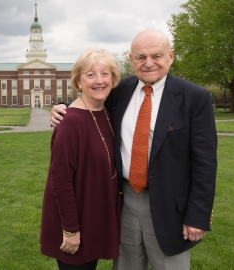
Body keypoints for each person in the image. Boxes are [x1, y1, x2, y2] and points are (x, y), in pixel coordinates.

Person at [50, 29, 217, 270]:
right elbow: (88, 103)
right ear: (131, 59)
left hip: (172, 208)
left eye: (156, 56)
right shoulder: (120, 91)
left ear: (171, 55)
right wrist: (63, 108)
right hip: (125, 201)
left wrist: (197, 216)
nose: (148, 63)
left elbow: (205, 164)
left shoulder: (195, 98)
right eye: (141, 57)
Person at [40, 48, 122, 270]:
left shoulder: (109, 114)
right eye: (90, 74)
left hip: (95, 215)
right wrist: (70, 230)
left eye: (105, 73)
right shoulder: (70, 122)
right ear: (77, 81)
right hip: (75, 222)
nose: (99, 80)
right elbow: (60, 181)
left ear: (113, 79)